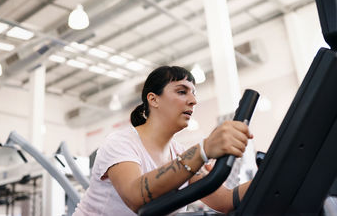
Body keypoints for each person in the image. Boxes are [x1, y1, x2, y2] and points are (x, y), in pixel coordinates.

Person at [73, 66, 252, 215]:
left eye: (194, 94)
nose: (193, 101)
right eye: (182, 92)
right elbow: (136, 198)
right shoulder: (121, 142)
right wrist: (202, 150)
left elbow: (226, 200)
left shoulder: (179, 153)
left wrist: (273, 169)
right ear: (153, 99)